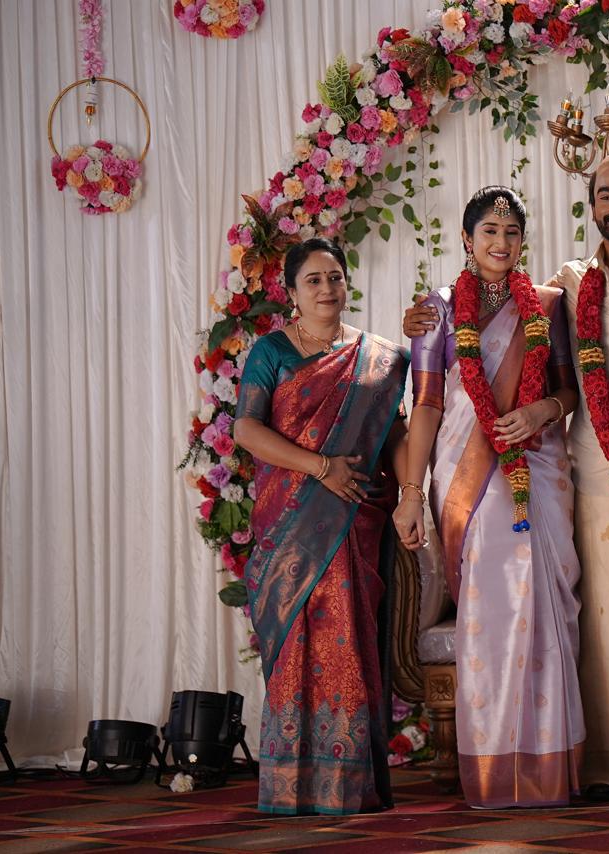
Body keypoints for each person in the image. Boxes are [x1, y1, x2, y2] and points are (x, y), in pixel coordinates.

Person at [404, 153, 609, 799]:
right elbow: (432, 394)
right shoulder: (552, 290)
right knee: (594, 631)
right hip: (576, 476)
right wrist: (418, 319)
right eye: (605, 193)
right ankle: (573, 764)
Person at [392, 186, 585, 809]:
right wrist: (410, 494)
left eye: (511, 232)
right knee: (493, 612)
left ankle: (549, 765)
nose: (501, 243)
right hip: (468, 478)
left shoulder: (547, 305)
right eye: (489, 232)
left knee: (544, 603)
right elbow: (427, 404)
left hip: (540, 466)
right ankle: (496, 767)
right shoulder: (438, 310)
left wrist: (540, 412)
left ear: (522, 240)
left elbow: (568, 392)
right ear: (467, 240)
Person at [233, 237, 408, 815]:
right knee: (295, 645)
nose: (327, 288)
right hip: (291, 525)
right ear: (292, 291)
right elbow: (246, 430)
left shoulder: (378, 359)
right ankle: (292, 784)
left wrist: (412, 496)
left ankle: (348, 784)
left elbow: (396, 435)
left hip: (354, 520)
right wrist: (320, 467)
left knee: (350, 639)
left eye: (335, 277)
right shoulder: (271, 352)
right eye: (313, 280)